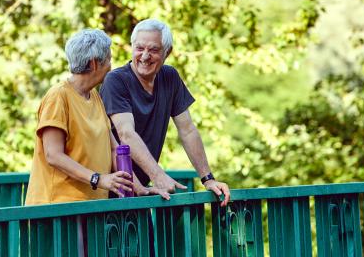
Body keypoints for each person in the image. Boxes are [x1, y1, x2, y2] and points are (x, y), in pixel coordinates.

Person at [100, 19, 231, 206]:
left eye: (153, 50)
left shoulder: (170, 78)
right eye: (139, 48)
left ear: (167, 52)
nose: (145, 56)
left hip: (141, 193)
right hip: (109, 194)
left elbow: (187, 130)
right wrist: (158, 175)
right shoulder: (116, 81)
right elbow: (126, 134)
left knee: (148, 236)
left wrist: (208, 179)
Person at [25, 28, 133, 205]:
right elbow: (53, 155)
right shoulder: (58, 96)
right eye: (109, 60)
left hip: (90, 206)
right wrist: (98, 179)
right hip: (59, 207)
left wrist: (136, 186)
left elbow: (113, 149)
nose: (111, 67)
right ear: (94, 64)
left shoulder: (95, 96)